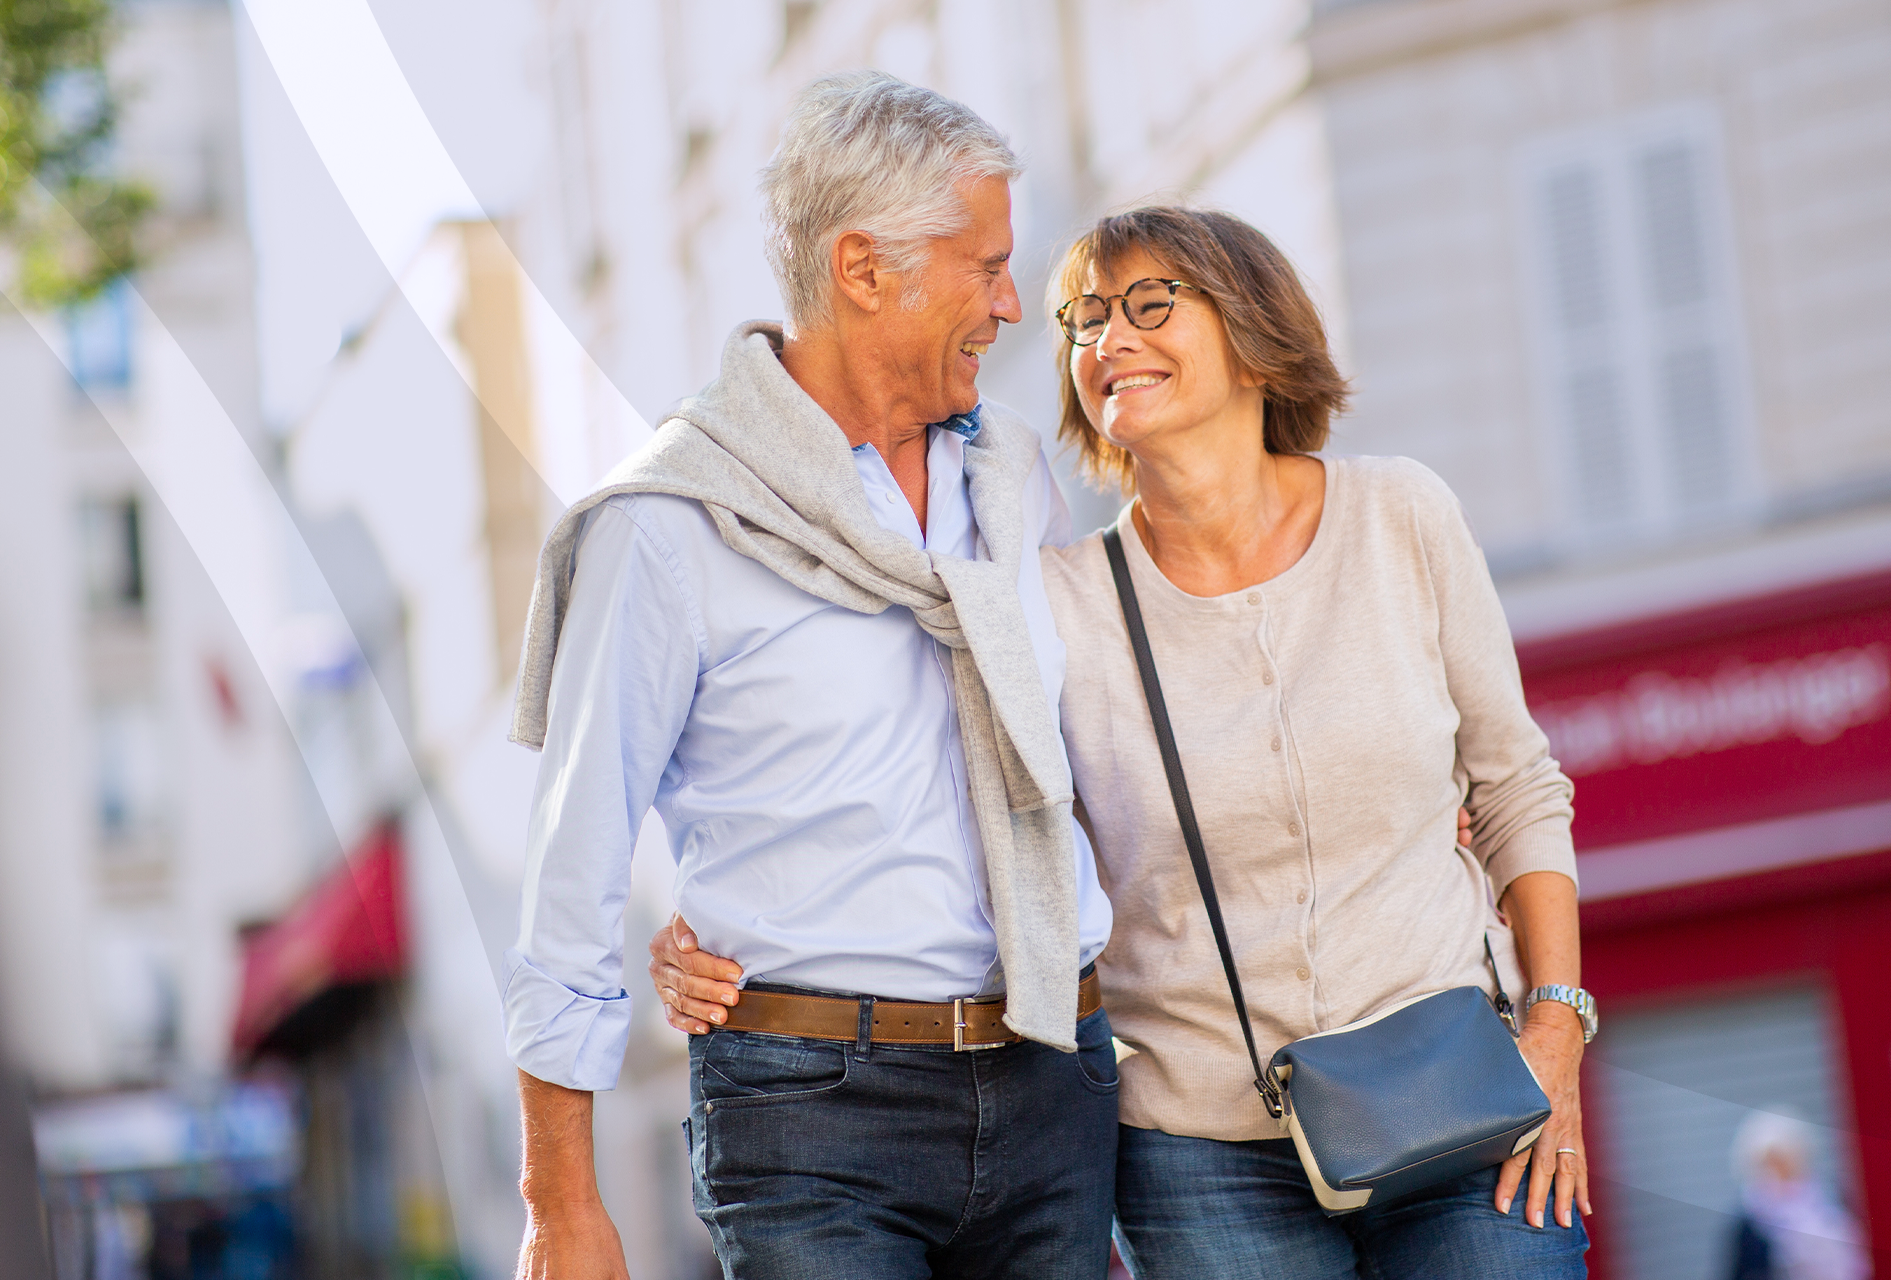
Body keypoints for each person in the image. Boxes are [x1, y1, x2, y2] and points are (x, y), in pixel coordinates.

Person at [653, 206, 1596, 1279]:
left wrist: (1555, 1027)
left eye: (1153, 304)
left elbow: (1518, 786)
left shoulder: (1402, 518)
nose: (1110, 339)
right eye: (1085, 317)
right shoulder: (1056, 600)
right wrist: (715, 916)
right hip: (1201, 1151)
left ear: (1252, 330)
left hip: (1460, 1102)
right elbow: (915, 782)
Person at [502, 72, 1118, 1280]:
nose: (1010, 300)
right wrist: (560, 1198)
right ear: (863, 269)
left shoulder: (1013, 481)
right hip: (812, 1110)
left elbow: (1106, 743)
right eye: (983, 265)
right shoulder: (675, 524)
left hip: (1053, 1075)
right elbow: (572, 866)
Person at [1725, 1111, 1867, 1280]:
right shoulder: (1750, 1220)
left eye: (1781, 1161)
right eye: (1768, 1162)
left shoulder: (1825, 1203)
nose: (1775, 1170)